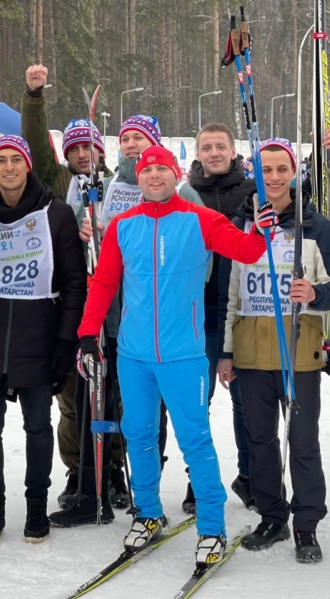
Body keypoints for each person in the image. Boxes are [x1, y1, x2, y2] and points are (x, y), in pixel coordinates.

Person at [77, 144, 275, 567]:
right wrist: (88, 332)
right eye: (147, 171)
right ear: (140, 178)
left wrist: (262, 230)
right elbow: (104, 283)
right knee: (139, 435)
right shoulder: (122, 226)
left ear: (175, 174)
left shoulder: (200, 219)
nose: (154, 177)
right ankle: (148, 513)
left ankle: (211, 527)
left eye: (161, 171)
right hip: (134, 354)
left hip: (183, 354)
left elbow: (247, 252)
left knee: (194, 440)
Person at [51, 112, 206, 527]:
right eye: (127, 139)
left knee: (152, 415)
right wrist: (86, 235)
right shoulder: (107, 188)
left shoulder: (182, 192)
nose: (133, 145)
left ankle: (147, 489)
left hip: (161, 327)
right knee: (115, 406)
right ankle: (112, 478)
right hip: (114, 322)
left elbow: (197, 259)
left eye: (141, 139)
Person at [217, 138, 330, 563]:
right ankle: (272, 515)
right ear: (256, 173)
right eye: (265, 169)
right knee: (260, 440)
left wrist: (314, 293)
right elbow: (233, 294)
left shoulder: (316, 226)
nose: (273, 177)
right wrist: (227, 352)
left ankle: (306, 524)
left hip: (298, 351)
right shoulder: (242, 224)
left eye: (281, 169)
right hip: (252, 355)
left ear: (294, 173)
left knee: (303, 441)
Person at [0, 135, 86, 545]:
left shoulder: (56, 213)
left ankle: (36, 506)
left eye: (17, 160)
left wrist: (65, 342)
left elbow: (72, 284)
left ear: (28, 165)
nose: (10, 168)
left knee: (38, 426)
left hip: (39, 336)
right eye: (2, 161)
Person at [21, 63, 127, 512]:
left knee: (117, 394)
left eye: (90, 148)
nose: (84, 154)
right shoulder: (57, 182)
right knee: (74, 393)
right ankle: (79, 469)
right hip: (72, 302)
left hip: (118, 305)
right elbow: (35, 148)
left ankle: (115, 469)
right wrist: (34, 98)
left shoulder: (123, 183)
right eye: (76, 149)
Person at [188, 122, 257, 512]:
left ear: (233, 152)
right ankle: (199, 479)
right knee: (197, 401)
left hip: (241, 311)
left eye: (220, 147)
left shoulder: (251, 192)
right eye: (206, 147)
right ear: (198, 153)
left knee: (245, 401)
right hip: (198, 313)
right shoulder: (186, 195)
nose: (214, 153)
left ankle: (250, 475)